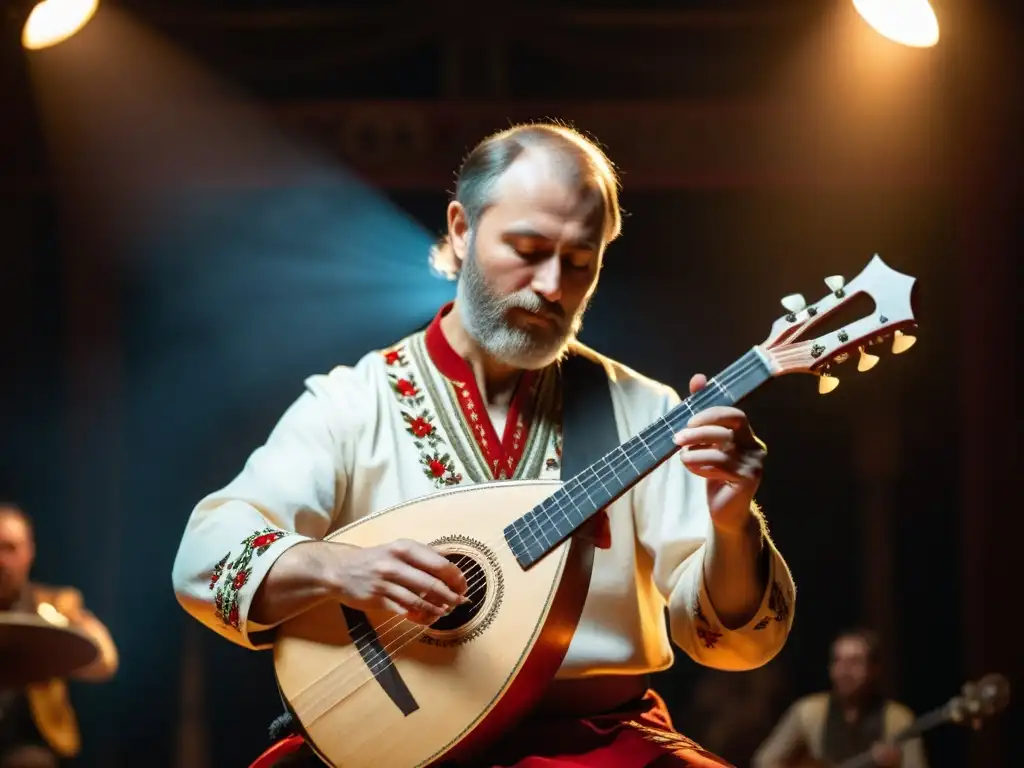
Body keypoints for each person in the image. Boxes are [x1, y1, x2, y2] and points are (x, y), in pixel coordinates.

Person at [171, 122, 797, 767]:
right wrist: (343, 569)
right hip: (392, 742)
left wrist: (731, 524)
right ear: (463, 229)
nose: (553, 286)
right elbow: (205, 556)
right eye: (527, 248)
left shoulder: (646, 413)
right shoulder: (352, 403)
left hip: (593, 743)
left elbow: (736, 646)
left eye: (580, 262)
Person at [0, 502, 119, 768]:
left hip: (29, 748)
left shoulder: (54, 603)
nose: (1, 560)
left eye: (10, 548)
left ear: (29, 552)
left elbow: (106, 660)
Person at [751, 629, 928, 768]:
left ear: (874, 669)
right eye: (838, 661)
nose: (845, 671)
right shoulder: (809, 712)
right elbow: (764, 761)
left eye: (855, 662)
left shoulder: (898, 719)